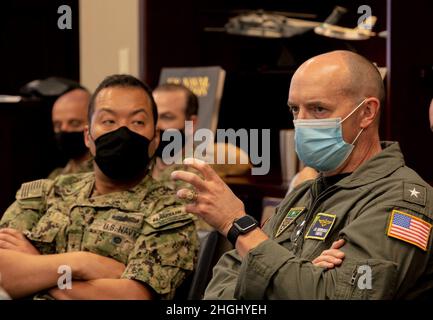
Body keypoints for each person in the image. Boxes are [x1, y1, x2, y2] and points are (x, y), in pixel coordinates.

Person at [171, 50, 433, 299]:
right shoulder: (303, 193)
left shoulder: (402, 200)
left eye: (319, 109)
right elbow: (221, 287)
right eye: (295, 110)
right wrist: (304, 273)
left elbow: (331, 297)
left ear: (367, 112)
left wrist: (239, 226)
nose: (302, 123)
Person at [0, 74, 198, 300]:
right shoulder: (44, 194)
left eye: (138, 122)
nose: (122, 132)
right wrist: (81, 264)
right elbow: (2, 272)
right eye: (108, 121)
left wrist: (34, 267)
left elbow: (132, 297)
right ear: (88, 136)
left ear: (154, 139)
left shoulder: (169, 213)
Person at [48, 86, 93, 179]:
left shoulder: (104, 178)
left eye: (74, 123)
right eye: (58, 125)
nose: (64, 129)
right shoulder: (55, 177)